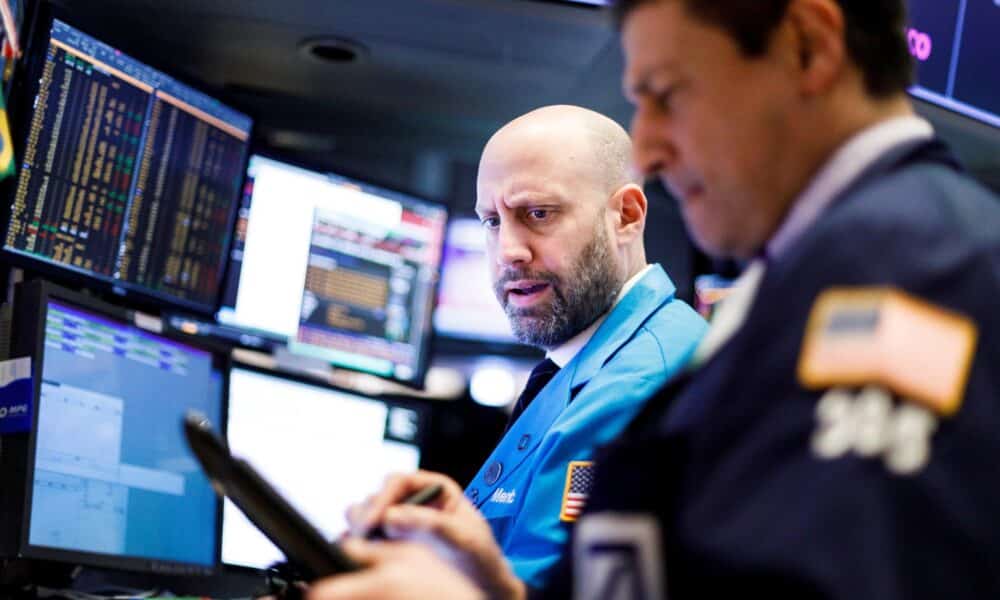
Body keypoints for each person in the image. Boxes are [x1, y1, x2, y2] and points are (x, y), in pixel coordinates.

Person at [309, 0, 1000, 597]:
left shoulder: (906, 274)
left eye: (667, 95)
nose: (650, 147)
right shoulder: (813, 280)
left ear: (808, 47)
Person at [349, 105, 706, 588]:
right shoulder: (593, 361)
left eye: (538, 214)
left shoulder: (640, 385)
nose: (508, 252)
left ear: (626, 215)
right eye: (492, 221)